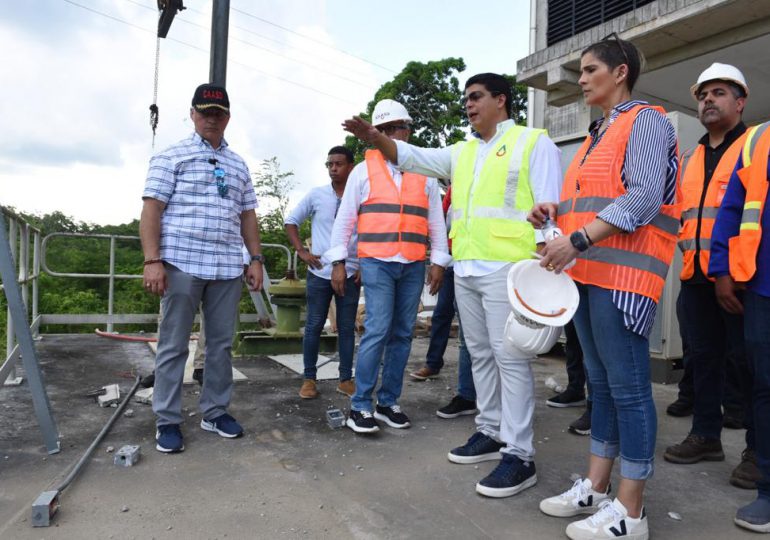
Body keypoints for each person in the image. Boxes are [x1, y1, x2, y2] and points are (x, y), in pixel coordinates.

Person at [344, 74, 562, 498]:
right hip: (468, 268)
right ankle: (490, 430)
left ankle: (520, 454)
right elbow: (410, 155)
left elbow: (549, 215)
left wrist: (546, 268)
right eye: (465, 99)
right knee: (479, 354)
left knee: (510, 359)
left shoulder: (535, 143)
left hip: (509, 270)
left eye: (476, 97)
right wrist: (373, 136)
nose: (468, 105)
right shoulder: (461, 153)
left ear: (501, 100)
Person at [531, 35, 679, 540]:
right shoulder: (599, 132)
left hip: (624, 277)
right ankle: (596, 485)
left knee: (631, 391)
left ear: (620, 73)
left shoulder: (647, 121)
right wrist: (554, 218)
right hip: (589, 277)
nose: (582, 77)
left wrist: (575, 239)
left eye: (590, 68)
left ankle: (631, 511)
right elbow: (595, 203)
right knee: (604, 388)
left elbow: (641, 198)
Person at [140, 83, 263, 454]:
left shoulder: (238, 163)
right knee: (174, 344)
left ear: (227, 117)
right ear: (193, 114)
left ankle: (214, 411)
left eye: (218, 113)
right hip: (181, 263)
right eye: (205, 112)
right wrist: (152, 260)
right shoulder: (171, 157)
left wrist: (255, 258)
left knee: (221, 346)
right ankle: (168, 420)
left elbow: (248, 215)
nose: (212, 119)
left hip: (227, 267)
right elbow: (151, 211)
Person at [327, 99, 449, 434]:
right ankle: (360, 405)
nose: (401, 133)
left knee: (402, 334)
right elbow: (345, 221)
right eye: (393, 128)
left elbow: (435, 220)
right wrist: (338, 262)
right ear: (379, 132)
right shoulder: (363, 171)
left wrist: (438, 260)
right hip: (376, 262)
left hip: (412, 264)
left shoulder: (422, 170)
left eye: (404, 127)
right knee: (379, 329)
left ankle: (388, 402)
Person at [663, 64, 756, 489]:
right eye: (703, 95)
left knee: (750, 366)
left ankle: (757, 452)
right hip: (695, 277)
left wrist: (730, 272)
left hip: (743, 279)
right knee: (703, 361)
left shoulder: (754, 149)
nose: (707, 101)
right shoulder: (692, 156)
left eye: (718, 93)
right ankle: (705, 436)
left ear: (740, 102)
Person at [709, 119, 770, 533]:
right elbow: (733, 206)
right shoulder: (759, 139)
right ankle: (768, 490)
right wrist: (721, 267)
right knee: (765, 386)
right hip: (764, 285)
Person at [284, 146, 361, 399]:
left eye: (339, 164)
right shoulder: (317, 195)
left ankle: (345, 379)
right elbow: (291, 220)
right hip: (319, 273)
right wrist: (301, 252)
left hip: (350, 272)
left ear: (351, 166)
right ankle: (309, 378)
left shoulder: (362, 196)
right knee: (314, 325)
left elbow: (369, 233)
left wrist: (363, 264)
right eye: (329, 164)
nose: (333, 169)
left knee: (347, 327)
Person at [411, 186, 478, 418]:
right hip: (451, 262)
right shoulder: (452, 190)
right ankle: (435, 365)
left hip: (473, 263)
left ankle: (471, 393)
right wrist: (439, 261)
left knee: (469, 335)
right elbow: (440, 222)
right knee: (441, 315)